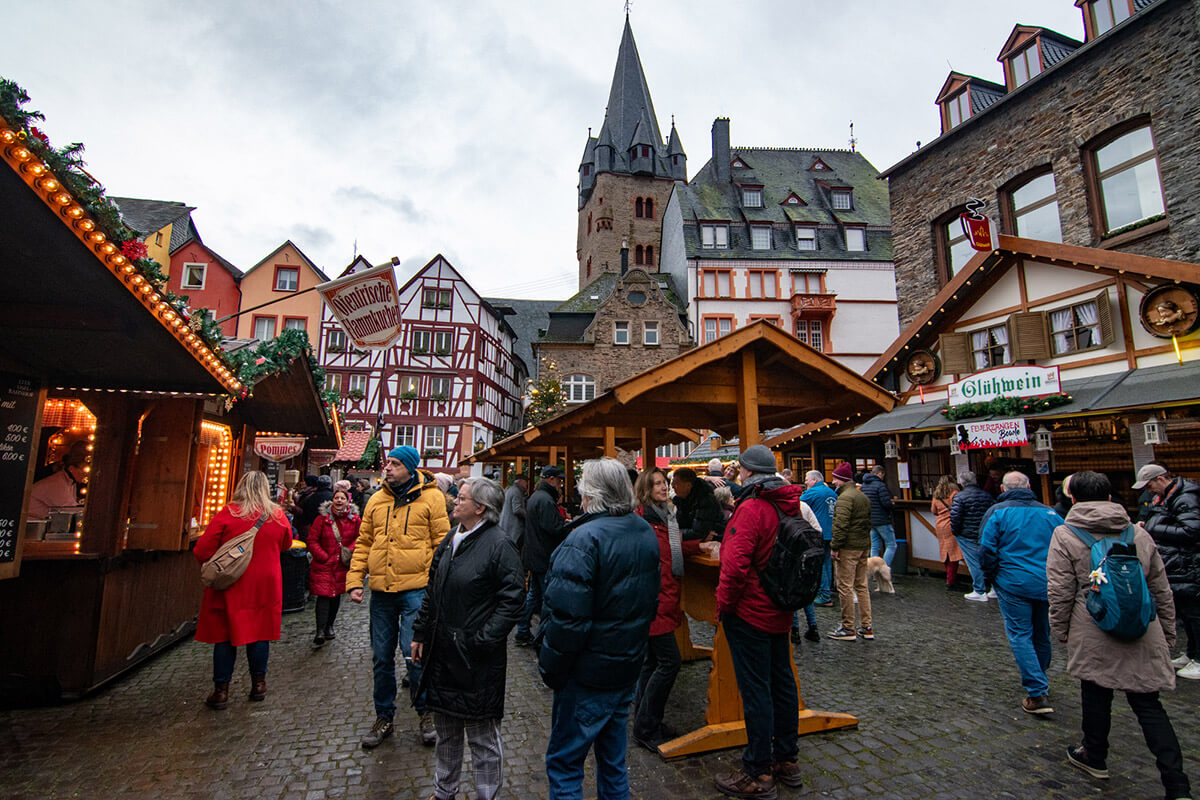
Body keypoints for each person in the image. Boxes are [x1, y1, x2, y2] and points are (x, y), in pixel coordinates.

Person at [1048, 471, 1192, 799]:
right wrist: (1168, 632)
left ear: (1074, 499)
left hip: (1093, 625)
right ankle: (1177, 784)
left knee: (1096, 693)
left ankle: (1094, 755)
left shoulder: (1065, 533)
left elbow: (1059, 590)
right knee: (1148, 704)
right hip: (1142, 626)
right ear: (1111, 497)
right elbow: (1160, 587)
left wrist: (1061, 629)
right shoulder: (1137, 533)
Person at [539, 458, 659, 800]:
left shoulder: (584, 538)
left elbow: (566, 621)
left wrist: (551, 669)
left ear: (590, 493)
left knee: (565, 766)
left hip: (587, 675)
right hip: (625, 667)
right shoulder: (643, 531)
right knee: (613, 763)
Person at [412, 478, 525, 800]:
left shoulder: (499, 545)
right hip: (443, 653)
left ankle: (487, 796)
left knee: (482, 738)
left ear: (480, 508)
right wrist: (421, 632)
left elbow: (513, 599)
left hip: (476, 660)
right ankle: (443, 792)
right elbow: (433, 590)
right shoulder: (451, 537)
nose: (453, 502)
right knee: (446, 733)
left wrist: (482, 640)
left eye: (460, 499)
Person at [712, 444, 810, 798]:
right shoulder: (790, 503)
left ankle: (758, 772)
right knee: (782, 683)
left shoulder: (752, 508)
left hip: (751, 611)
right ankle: (787, 760)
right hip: (781, 609)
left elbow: (735, 565)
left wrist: (724, 605)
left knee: (756, 692)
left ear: (747, 471)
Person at [347, 445, 450, 749]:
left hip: (416, 590)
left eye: (393, 464)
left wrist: (435, 583)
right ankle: (384, 716)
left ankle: (426, 711)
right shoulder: (377, 500)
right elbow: (364, 543)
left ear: (409, 467)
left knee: (414, 653)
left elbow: (440, 545)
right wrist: (355, 580)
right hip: (381, 593)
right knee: (381, 657)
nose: (387, 468)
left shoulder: (432, 499)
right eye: (387, 463)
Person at [193, 471, 293, 709]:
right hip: (265, 584)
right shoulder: (277, 515)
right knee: (260, 634)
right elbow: (286, 544)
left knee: (225, 636)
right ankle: (258, 685)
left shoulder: (228, 513)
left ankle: (221, 691)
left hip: (232, 583)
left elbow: (202, 550)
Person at [632, 468, 715, 750]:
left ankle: (646, 721)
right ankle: (645, 726)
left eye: (664, 483)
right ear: (646, 488)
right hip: (654, 600)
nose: (664, 487)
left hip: (662, 598)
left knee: (652, 663)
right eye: (657, 484)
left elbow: (672, 545)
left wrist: (697, 546)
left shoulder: (662, 518)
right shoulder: (644, 520)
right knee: (669, 663)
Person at [979, 471, 1065, 714]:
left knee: (1020, 633)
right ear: (1028, 486)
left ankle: (1037, 691)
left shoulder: (998, 512)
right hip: (1046, 580)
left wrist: (989, 578)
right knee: (1041, 632)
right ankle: (1040, 675)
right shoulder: (1050, 513)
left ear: (1003, 489)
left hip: (1013, 581)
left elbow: (986, 550)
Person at [1136, 462, 1200, 679]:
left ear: (1161, 479)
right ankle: (1192, 653)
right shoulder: (1169, 497)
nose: (1148, 490)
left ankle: (1199, 658)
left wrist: (1153, 528)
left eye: (1150, 485)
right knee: (1185, 611)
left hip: (1188, 564)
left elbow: (1192, 530)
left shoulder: (1184, 498)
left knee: (1194, 613)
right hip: (1178, 563)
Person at [515, 465, 570, 647]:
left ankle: (522, 631)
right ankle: (544, 635)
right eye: (559, 480)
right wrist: (568, 525)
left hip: (534, 553)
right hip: (543, 555)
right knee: (546, 597)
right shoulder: (545, 500)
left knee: (534, 596)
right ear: (552, 479)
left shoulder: (536, 497)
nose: (560, 484)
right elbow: (553, 528)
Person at [307, 485, 360, 647]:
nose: (339, 500)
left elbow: (361, 538)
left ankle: (330, 625)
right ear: (332, 500)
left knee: (336, 595)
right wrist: (322, 556)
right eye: (336, 498)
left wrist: (349, 551)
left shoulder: (355, 520)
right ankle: (320, 630)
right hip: (324, 564)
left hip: (342, 564)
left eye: (342, 498)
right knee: (323, 596)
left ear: (347, 501)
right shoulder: (321, 520)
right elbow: (312, 540)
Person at [828, 461, 873, 642]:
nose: (834, 483)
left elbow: (840, 525)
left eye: (835, 479)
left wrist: (835, 546)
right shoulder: (862, 496)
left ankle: (848, 627)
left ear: (841, 479)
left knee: (845, 587)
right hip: (863, 546)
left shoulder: (845, 498)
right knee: (861, 586)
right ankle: (867, 626)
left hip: (848, 547)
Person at [950, 470, 996, 601]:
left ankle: (979, 590)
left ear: (962, 482)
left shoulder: (960, 497)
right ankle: (994, 588)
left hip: (966, 533)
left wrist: (956, 532)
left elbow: (955, 517)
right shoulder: (987, 496)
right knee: (989, 559)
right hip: (984, 532)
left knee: (973, 562)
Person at [801, 469, 838, 609]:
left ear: (814, 480)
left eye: (806, 479)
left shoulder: (811, 493)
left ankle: (824, 595)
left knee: (819, 563)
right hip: (831, 532)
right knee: (827, 562)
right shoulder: (832, 493)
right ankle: (827, 590)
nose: (805, 482)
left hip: (818, 532)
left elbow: (797, 505)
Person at [27, 441, 88, 518]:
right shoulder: (56, 483)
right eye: (84, 470)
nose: (87, 474)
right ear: (72, 468)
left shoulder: (69, 482)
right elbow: (69, 510)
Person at [671, 467, 726, 541]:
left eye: (676, 483)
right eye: (672, 483)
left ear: (688, 485)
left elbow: (699, 532)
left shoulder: (705, 500)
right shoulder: (681, 500)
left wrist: (675, 534)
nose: (672, 486)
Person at [930, 476, 963, 590]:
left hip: (940, 525)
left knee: (945, 553)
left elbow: (933, 511)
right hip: (951, 523)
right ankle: (951, 581)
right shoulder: (954, 493)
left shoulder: (936, 495)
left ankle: (950, 578)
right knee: (954, 554)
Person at [862, 464, 897, 567]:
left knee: (874, 546)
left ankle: (873, 570)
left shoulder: (864, 486)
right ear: (880, 474)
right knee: (891, 545)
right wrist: (892, 505)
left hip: (871, 520)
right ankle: (883, 569)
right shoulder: (880, 486)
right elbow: (886, 503)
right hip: (882, 519)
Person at [499, 477, 528, 550]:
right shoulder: (516, 492)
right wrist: (529, 516)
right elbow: (517, 509)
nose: (527, 484)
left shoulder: (510, 490)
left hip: (507, 526)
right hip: (514, 528)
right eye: (526, 481)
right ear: (520, 481)